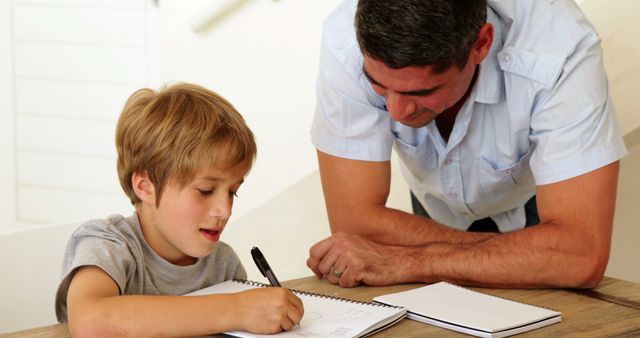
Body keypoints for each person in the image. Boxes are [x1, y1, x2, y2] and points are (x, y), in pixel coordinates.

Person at [307, 0, 627, 289]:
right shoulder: (344, 39)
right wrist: (526, 255)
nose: (395, 112)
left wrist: (408, 259)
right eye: (378, 85)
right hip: (432, 202)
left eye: (420, 92)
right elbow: (355, 222)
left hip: (531, 203)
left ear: (481, 44)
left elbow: (580, 256)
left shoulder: (560, 48)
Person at [55, 83, 304, 337]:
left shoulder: (223, 265)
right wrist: (235, 310)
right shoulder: (108, 244)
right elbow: (91, 322)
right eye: (206, 190)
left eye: (232, 192)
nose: (225, 210)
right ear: (146, 187)